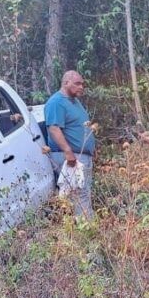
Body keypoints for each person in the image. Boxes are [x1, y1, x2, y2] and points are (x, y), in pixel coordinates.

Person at [45, 70, 96, 219]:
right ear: (66, 83)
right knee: (80, 194)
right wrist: (68, 152)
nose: (81, 87)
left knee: (83, 192)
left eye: (82, 84)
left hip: (81, 155)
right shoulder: (56, 102)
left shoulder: (74, 101)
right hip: (70, 157)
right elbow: (53, 128)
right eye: (77, 83)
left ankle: (84, 227)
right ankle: (87, 231)